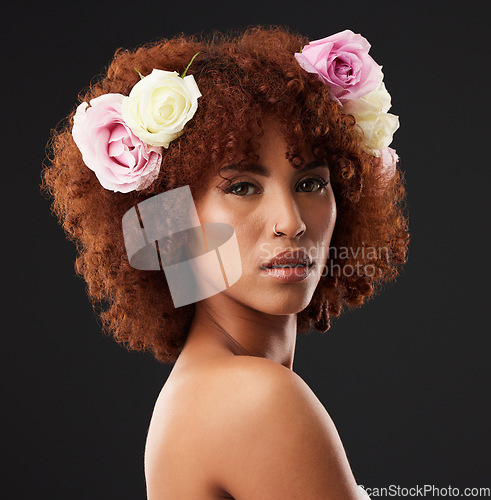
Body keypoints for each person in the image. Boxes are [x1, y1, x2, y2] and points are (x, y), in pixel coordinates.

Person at [42, 25, 408, 499]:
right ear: (171, 221)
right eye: (241, 187)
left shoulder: (197, 391)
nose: (290, 222)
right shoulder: (257, 400)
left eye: (312, 183)